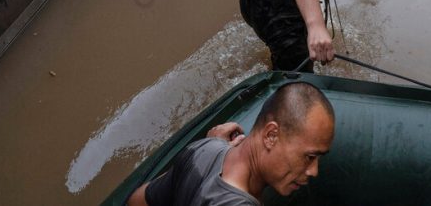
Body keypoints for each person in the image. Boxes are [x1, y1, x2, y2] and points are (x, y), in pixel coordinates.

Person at [127, 82, 335, 206]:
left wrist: (213, 145)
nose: (313, 171)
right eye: (309, 157)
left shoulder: (201, 149)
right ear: (271, 135)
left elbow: (137, 201)